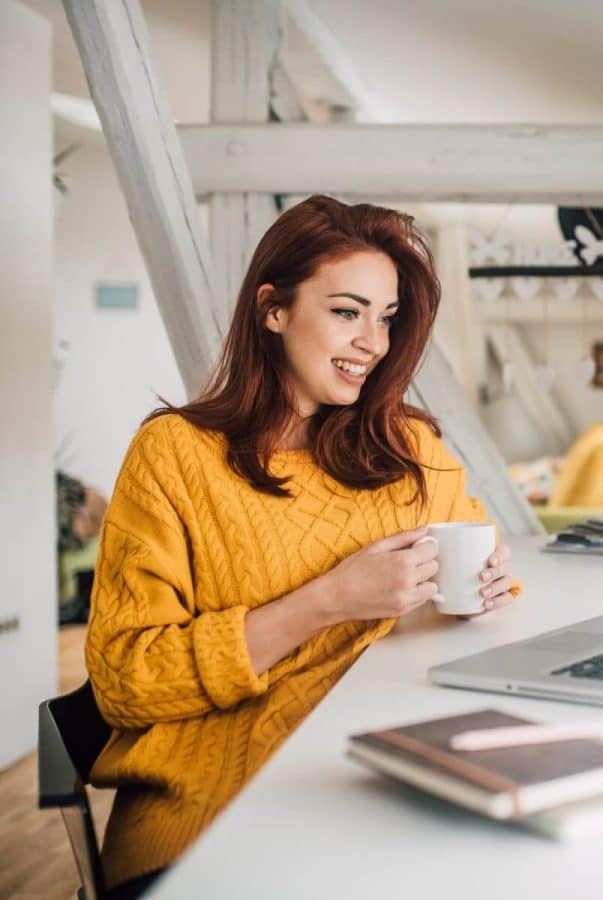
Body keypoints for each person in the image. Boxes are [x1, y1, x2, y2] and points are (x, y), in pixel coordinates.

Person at [85, 195, 520, 899]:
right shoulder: (175, 454)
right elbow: (125, 679)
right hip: (216, 823)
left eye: (386, 319)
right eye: (347, 312)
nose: (372, 343)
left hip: (377, 791)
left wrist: (485, 590)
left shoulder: (410, 448)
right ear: (273, 309)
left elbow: (477, 575)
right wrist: (328, 601)